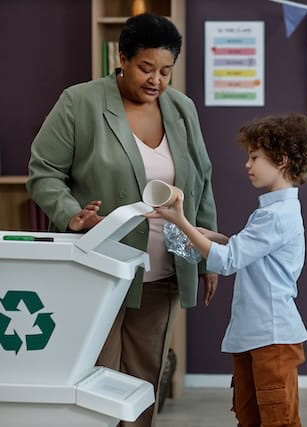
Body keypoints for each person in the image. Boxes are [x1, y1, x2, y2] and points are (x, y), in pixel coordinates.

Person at [26, 13, 217, 427]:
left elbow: (201, 181)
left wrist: (207, 257)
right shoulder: (81, 102)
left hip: (164, 273)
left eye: (166, 71)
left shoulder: (181, 109)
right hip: (99, 270)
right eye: (146, 68)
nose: (157, 80)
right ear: (123, 57)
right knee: (95, 378)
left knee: (143, 382)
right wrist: (71, 215)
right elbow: (43, 173)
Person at [150, 113, 307, 427]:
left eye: (254, 157)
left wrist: (180, 221)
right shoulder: (272, 212)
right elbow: (244, 252)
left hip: (272, 337)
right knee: (249, 416)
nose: (248, 164)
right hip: (256, 334)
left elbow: (227, 261)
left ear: (281, 159)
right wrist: (208, 235)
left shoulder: (277, 215)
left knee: (277, 419)